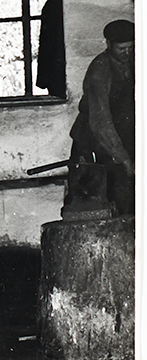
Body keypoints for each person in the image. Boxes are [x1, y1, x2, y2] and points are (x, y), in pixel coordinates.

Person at [68, 18, 135, 214]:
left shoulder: (135, 61)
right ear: (108, 44)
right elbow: (100, 121)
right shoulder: (99, 70)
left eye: (131, 48)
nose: (127, 54)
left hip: (122, 136)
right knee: (97, 200)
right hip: (93, 142)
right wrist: (124, 159)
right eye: (122, 49)